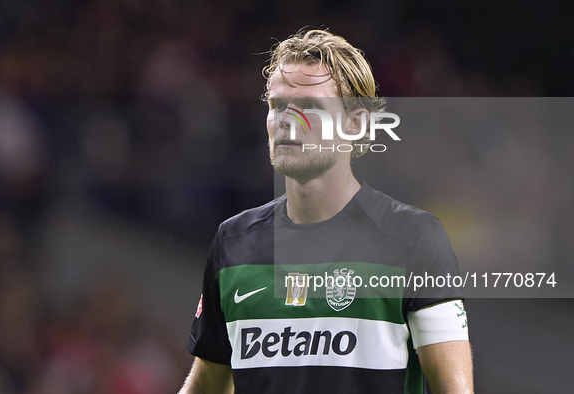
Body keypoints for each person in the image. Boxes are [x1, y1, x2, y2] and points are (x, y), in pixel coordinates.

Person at [179, 29, 473, 394]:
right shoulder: (234, 241)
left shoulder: (413, 238)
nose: (288, 120)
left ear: (355, 124)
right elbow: (206, 386)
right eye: (277, 105)